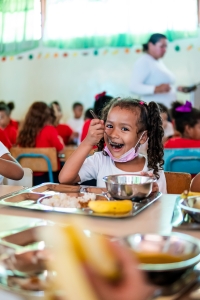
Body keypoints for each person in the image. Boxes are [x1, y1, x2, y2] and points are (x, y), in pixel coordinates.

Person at [59, 98, 167, 193]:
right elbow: (64, 178)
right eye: (110, 125)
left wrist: (153, 196)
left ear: (143, 137)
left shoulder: (153, 169)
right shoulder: (101, 160)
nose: (114, 134)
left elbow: (162, 209)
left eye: (124, 128)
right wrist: (87, 142)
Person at [130, 33, 194, 107]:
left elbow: (160, 84)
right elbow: (133, 87)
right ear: (151, 45)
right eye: (162, 46)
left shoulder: (157, 61)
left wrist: (176, 88)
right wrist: (156, 89)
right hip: (155, 112)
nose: (165, 50)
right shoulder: (144, 61)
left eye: (166, 47)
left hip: (166, 110)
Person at [17, 102, 64, 185]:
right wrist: (60, 141)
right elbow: (61, 150)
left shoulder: (24, 132)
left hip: (27, 177)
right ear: (47, 115)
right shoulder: (50, 130)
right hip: (49, 177)